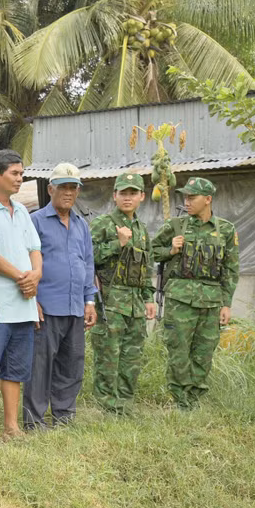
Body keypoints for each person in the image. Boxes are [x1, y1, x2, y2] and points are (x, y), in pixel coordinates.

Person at [151, 177, 239, 409]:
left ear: (208, 199)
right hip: (180, 298)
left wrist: (226, 303)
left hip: (211, 301)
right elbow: (150, 251)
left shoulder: (226, 230)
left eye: (192, 197)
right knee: (178, 349)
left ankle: (195, 399)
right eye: (185, 197)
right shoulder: (176, 226)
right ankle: (181, 401)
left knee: (204, 351)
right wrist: (170, 249)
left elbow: (230, 268)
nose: (187, 201)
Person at [0, 149, 41, 440]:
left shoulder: (23, 210)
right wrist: (20, 276)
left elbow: (34, 249)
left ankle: (11, 426)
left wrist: (35, 275)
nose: (20, 179)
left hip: (25, 304)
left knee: (15, 369)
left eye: (21, 173)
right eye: (14, 173)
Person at [24, 163, 97, 429]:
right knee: (40, 366)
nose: (68, 192)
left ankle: (64, 416)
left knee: (71, 364)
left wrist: (90, 301)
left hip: (76, 307)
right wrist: (32, 300)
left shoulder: (81, 225)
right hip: (47, 306)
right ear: (50, 188)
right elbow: (25, 263)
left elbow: (88, 264)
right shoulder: (35, 221)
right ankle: (35, 420)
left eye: (73, 188)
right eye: (63, 187)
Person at [89, 172, 156, 413]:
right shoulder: (103, 224)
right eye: (123, 193)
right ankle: (106, 404)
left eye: (133, 193)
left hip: (136, 301)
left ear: (142, 197)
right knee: (109, 355)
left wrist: (149, 297)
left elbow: (146, 266)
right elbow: (88, 259)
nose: (128, 198)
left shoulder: (142, 229)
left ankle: (125, 402)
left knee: (132, 355)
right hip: (110, 300)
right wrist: (118, 244)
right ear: (114, 195)